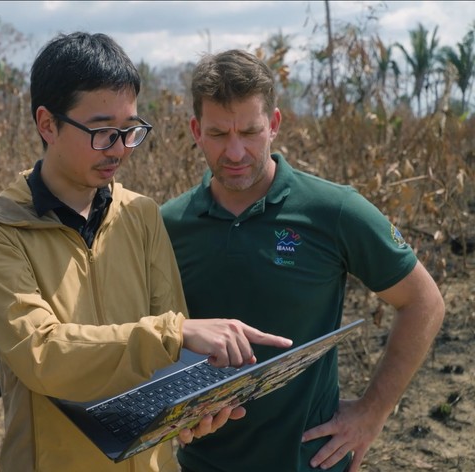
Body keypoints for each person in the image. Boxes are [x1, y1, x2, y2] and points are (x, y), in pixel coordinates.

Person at [0, 32, 292, 472]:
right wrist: (173, 335)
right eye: (102, 132)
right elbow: (42, 354)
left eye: (130, 130)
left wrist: (192, 409)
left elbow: (172, 359)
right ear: (47, 124)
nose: (119, 148)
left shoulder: (140, 214)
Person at [160, 49, 446, 472]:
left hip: (307, 461)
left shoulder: (334, 211)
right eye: (219, 134)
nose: (235, 152)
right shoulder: (168, 225)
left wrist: (373, 411)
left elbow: (424, 302)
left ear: (274, 124)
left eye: (251, 132)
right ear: (196, 131)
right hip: (201, 462)